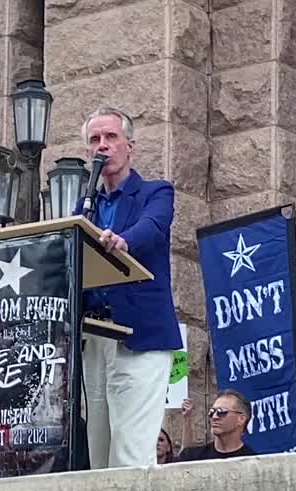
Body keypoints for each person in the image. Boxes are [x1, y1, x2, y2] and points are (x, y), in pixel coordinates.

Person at [78, 105, 182, 470]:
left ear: (129, 146)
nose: (102, 146)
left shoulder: (156, 193)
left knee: (131, 451)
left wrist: (123, 240)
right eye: (94, 140)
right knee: (99, 450)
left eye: (111, 137)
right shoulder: (84, 206)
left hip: (140, 336)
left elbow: (152, 228)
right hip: (96, 337)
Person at [177, 389, 258, 462]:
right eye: (212, 412)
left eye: (221, 412)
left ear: (241, 419)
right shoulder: (192, 457)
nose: (214, 417)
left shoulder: (255, 462)